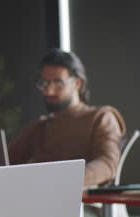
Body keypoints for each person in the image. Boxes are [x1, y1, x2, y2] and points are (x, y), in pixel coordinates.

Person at [8, 49, 126, 186]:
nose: (49, 91)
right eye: (44, 83)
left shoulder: (101, 117)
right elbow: (5, 162)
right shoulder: (40, 127)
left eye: (58, 83)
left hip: (81, 203)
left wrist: (64, 181)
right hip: (39, 199)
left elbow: (108, 164)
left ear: (77, 83)